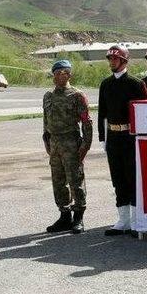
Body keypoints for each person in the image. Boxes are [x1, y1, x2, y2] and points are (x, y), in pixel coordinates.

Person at [98, 45, 147, 236]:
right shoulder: (106, 84)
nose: (111, 62)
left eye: (115, 59)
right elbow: (102, 113)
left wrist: (142, 139)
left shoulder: (136, 84)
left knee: (132, 178)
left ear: (124, 61)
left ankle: (136, 220)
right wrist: (103, 138)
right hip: (113, 137)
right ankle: (123, 219)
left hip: (131, 138)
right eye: (110, 59)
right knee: (118, 178)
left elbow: (144, 114)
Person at [42, 59, 93, 234]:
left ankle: (78, 217)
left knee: (75, 181)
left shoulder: (77, 95)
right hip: (55, 143)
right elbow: (45, 120)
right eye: (55, 74)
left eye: (61, 73)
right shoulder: (48, 96)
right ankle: (64, 216)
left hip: (71, 142)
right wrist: (46, 141)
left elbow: (87, 122)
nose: (56, 77)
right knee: (58, 182)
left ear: (69, 75)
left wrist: (85, 146)